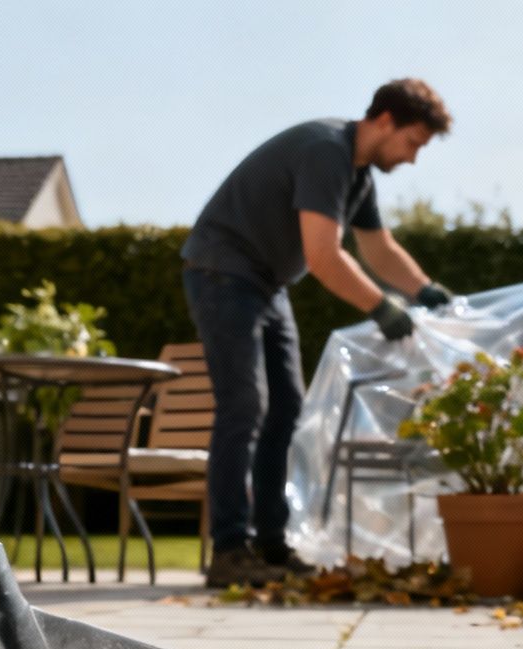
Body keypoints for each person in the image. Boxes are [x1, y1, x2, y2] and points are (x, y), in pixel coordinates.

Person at [182, 78, 454, 588]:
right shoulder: (326, 152)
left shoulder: (358, 178)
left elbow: (378, 249)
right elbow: (325, 258)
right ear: (386, 121)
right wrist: (381, 308)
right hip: (222, 272)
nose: (414, 158)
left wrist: (424, 289)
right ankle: (228, 547)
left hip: (266, 284)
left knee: (287, 407)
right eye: (413, 143)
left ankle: (270, 545)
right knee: (244, 406)